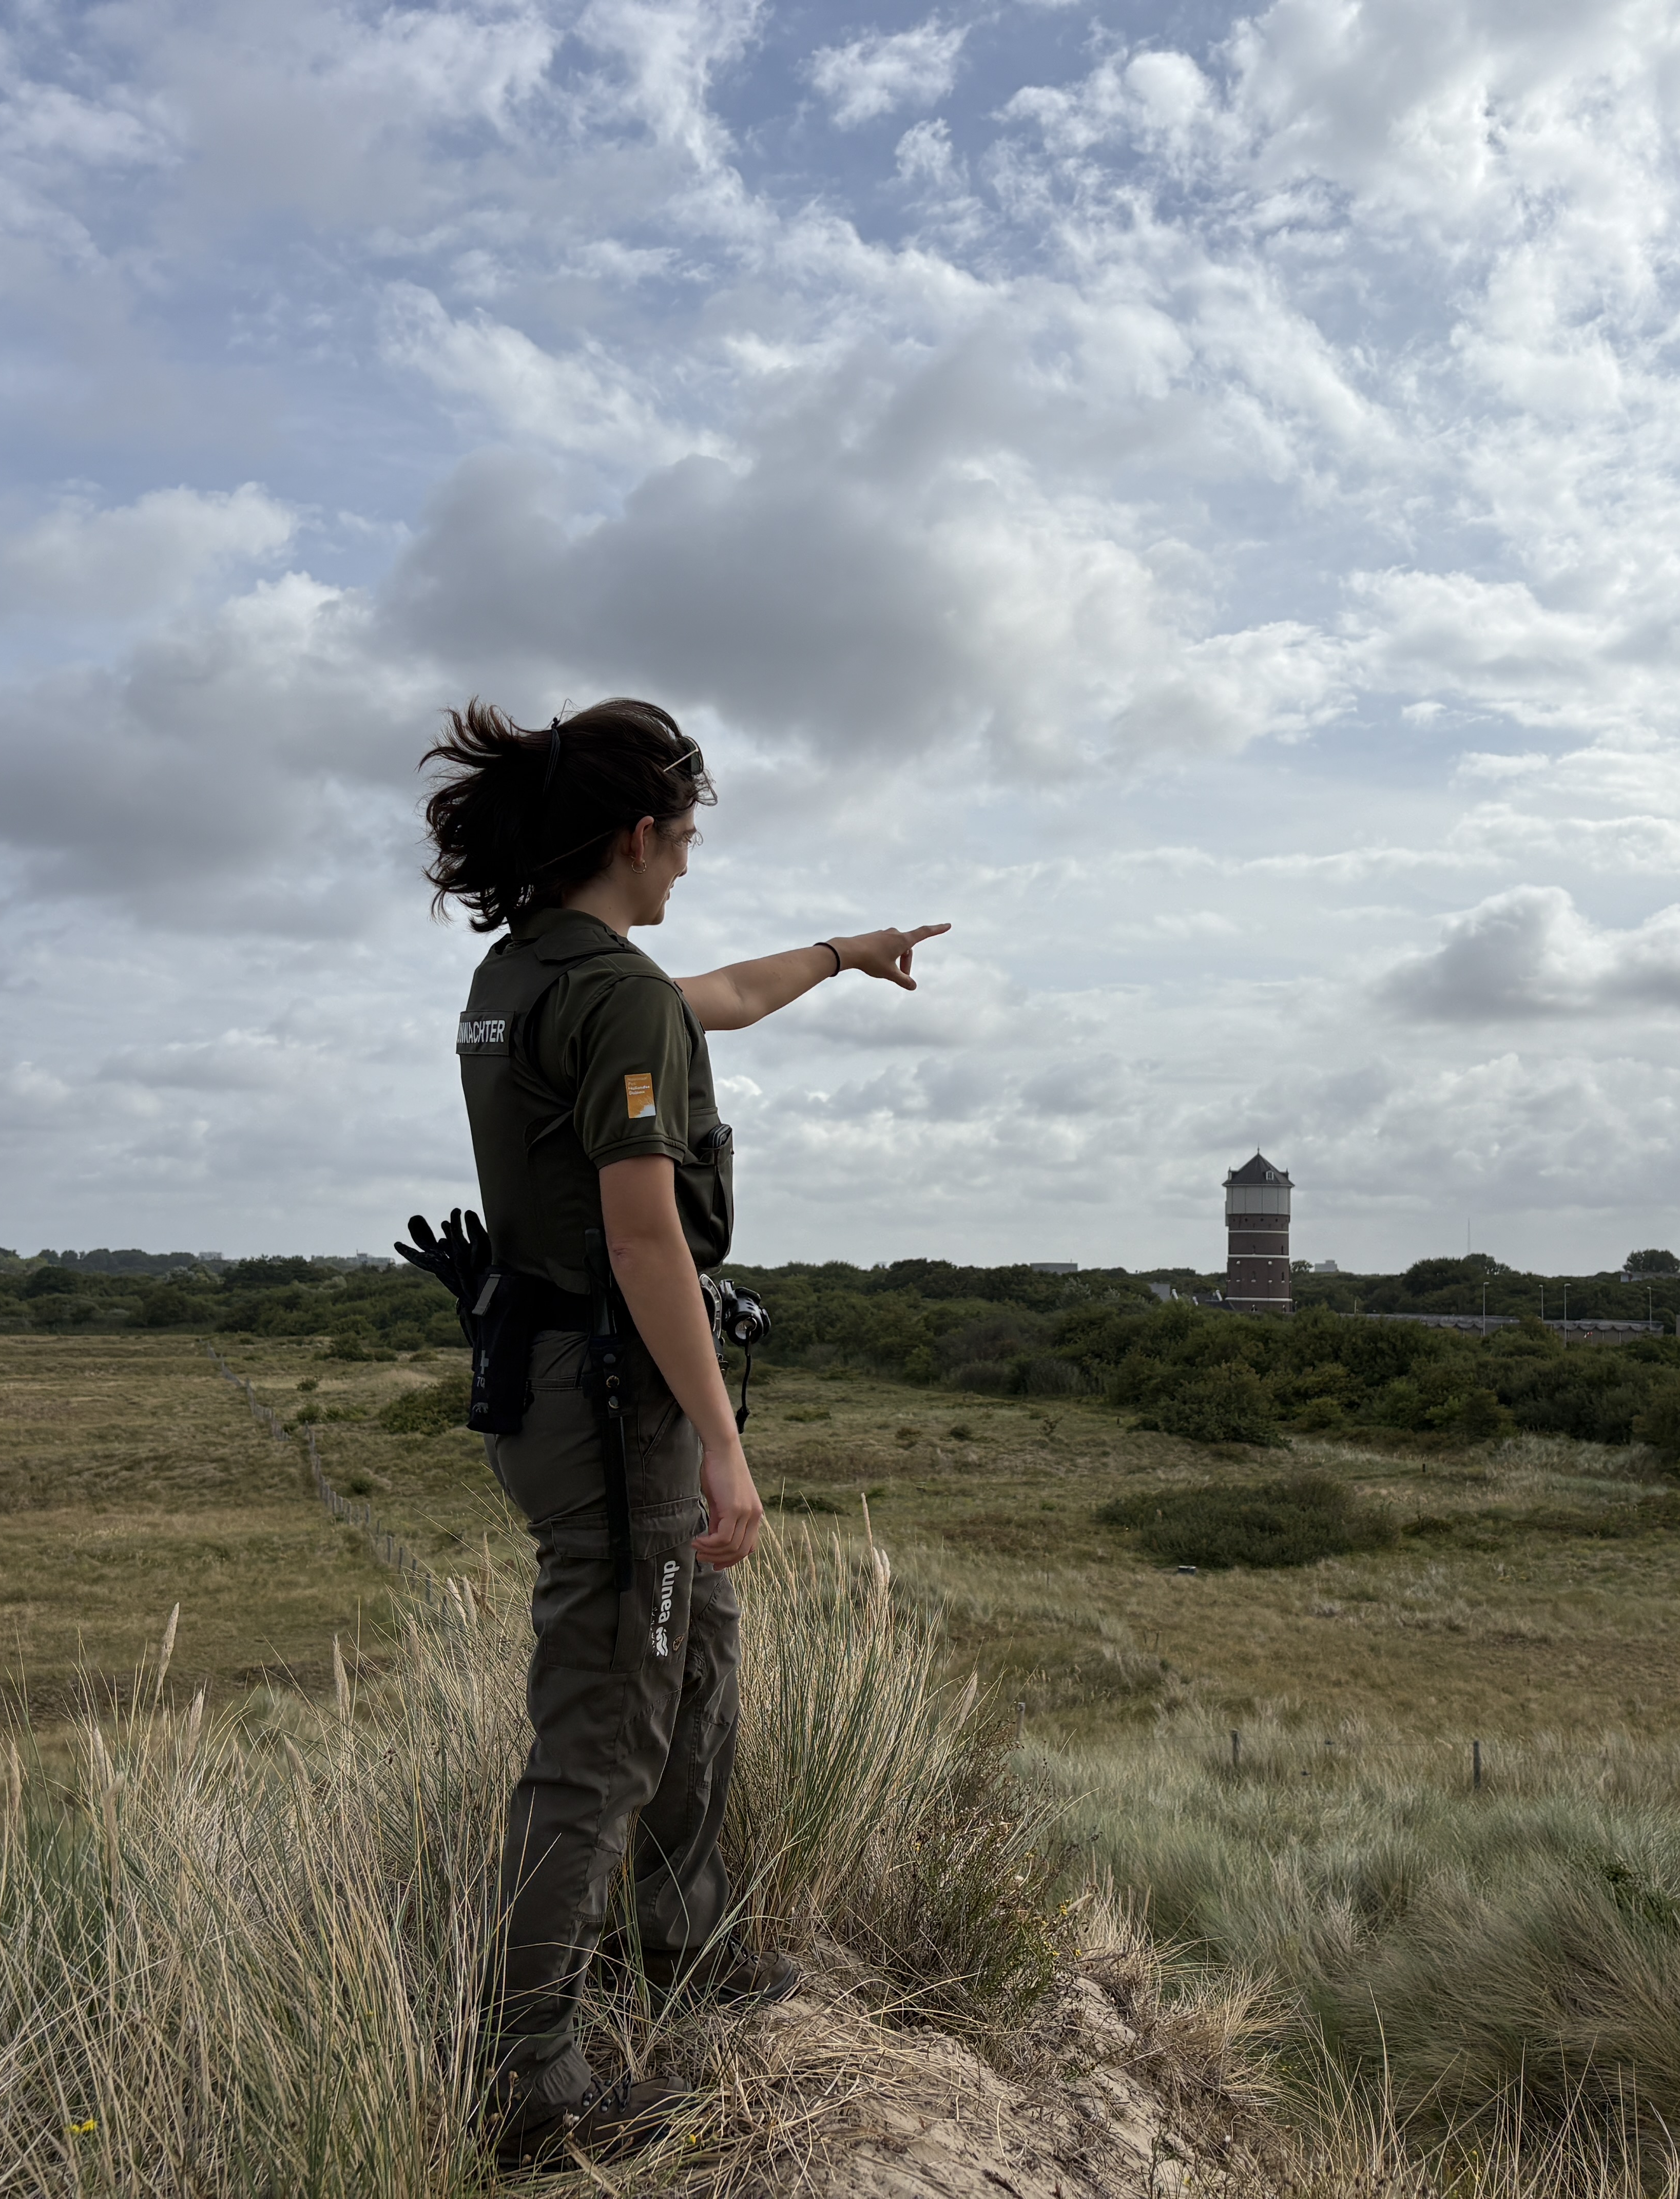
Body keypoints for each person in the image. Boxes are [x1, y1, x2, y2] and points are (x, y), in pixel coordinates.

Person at [418, 696, 949, 2169]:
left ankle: (688, 1948)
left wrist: (843, 955)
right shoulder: (607, 993)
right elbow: (648, 1237)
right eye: (690, 836)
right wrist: (724, 1441)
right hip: (613, 1404)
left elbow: (703, 996)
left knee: (694, 1658)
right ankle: (532, 2077)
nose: (692, 864)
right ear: (639, 833)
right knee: (602, 1725)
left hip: (543, 1376)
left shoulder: (526, 973)